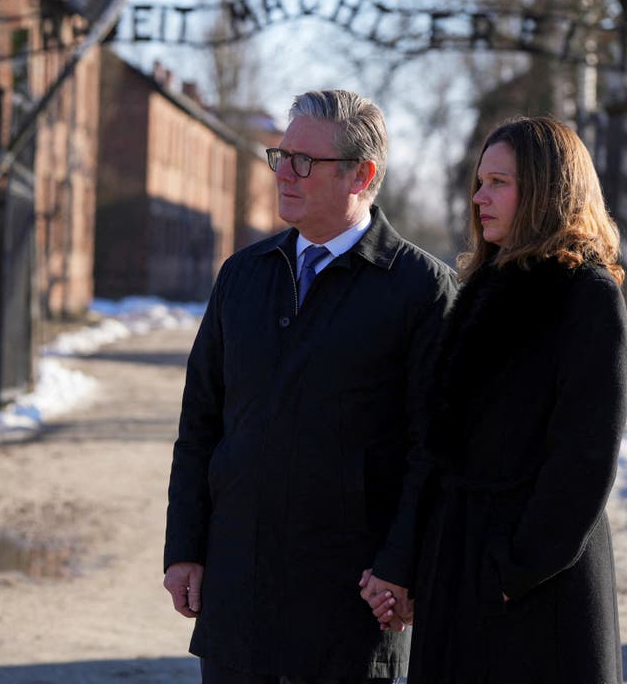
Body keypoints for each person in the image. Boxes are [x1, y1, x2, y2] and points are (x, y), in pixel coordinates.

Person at [163, 89, 456, 683]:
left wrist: (400, 567)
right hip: (237, 598)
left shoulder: (421, 291)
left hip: (349, 606)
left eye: (305, 161)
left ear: (362, 175)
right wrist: (184, 547)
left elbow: (435, 451)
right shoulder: (243, 275)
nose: (284, 174)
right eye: (281, 156)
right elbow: (201, 423)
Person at [362, 116, 627, 682]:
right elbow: (446, 446)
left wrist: (513, 571)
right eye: (479, 183)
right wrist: (419, 564)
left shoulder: (586, 295)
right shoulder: (485, 288)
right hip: (460, 572)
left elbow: (583, 461)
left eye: (499, 183)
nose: (479, 198)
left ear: (547, 189)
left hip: (535, 593)